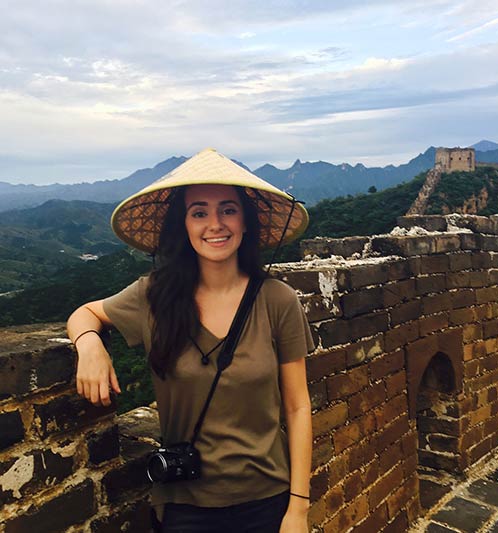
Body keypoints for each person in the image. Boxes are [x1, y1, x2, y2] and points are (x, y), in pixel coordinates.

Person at [67, 148, 315, 533]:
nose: (215, 224)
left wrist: (298, 508)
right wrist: (89, 345)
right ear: (183, 226)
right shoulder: (154, 296)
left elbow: (298, 406)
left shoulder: (276, 300)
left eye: (228, 210)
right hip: (185, 506)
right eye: (199, 212)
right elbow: (85, 313)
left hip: (268, 500)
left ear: (246, 222)